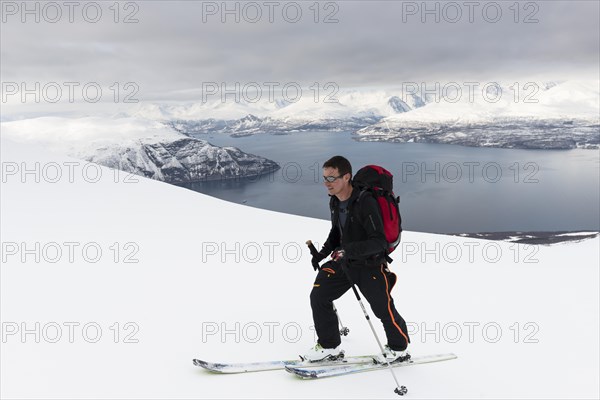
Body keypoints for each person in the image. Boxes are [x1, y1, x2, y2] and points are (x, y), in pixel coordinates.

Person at [303, 155, 410, 363]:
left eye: (332, 178)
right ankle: (329, 346)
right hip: (345, 262)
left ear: (346, 177)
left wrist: (348, 251)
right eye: (325, 178)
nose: (327, 183)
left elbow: (378, 241)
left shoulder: (365, 202)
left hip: (370, 265)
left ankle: (399, 348)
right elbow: (336, 232)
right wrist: (322, 254)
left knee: (383, 309)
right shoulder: (335, 201)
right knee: (319, 296)